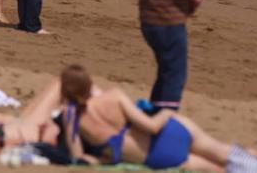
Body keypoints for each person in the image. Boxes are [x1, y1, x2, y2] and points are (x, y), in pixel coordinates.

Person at [45, 64, 228, 171]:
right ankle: (256, 162)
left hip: (155, 158)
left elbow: (78, 159)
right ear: (90, 85)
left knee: (217, 168)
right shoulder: (114, 96)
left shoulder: (72, 120)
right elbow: (152, 127)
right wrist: (168, 111)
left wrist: (101, 159)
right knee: (225, 153)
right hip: (165, 135)